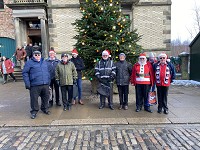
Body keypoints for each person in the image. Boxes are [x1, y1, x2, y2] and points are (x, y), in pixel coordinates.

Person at [22, 51, 51, 119]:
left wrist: (48, 81)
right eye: (36, 55)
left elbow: (48, 72)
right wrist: (27, 83)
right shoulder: (29, 63)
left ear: (41, 55)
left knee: (46, 97)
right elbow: (25, 73)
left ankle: (44, 108)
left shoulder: (44, 62)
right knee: (34, 99)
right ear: (33, 55)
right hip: (34, 84)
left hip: (45, 83)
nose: (37, 56)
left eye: (39, 55)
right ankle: (34, 111)